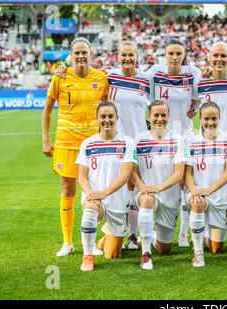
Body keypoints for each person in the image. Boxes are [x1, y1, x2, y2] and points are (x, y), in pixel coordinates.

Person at [54, 41, 153, 251]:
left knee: (134, 188)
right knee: (122, 188)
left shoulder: (147, 78)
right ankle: (114, 233)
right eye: (123, 55)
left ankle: (133, 236)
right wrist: (64, 64)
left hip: (139, 141)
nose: (127, 59)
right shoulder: (109, 75)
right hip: (114, 141)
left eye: (131, 55)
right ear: (117, 56)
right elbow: (81, 58)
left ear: (138, 56)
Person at [42, 37, 108, 257]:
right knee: (67, 190)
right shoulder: (60, 77)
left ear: (91, 54)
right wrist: (45, 139)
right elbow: (48, 109)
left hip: (94, 145)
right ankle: (67, 242)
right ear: (72, 55)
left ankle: (92, 240)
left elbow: (108, 111)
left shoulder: (101, 78)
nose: (81, 56)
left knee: (95, 191)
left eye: (84, 52)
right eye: (77, 52)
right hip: (66, 143)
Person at [145, 37, 201, 248]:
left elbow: (198, 95)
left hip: (185, 134)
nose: (175, 57)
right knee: (155, 178)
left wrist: (193, 106)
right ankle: (144, 231)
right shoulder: (154, 73)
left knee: (184, 182)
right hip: (159, 136)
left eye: (179, 53)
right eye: (171, 53)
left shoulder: (193, 73)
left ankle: (184, 234)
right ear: (165, 54)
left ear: (184, 54)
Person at [192, 41, 227, 251]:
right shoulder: (200, 79)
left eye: (224, 56)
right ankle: (196, 232)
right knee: (200, 183)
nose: (219, 60)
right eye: (216, 56)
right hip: (205, 142)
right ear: (209, 58)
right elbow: (193, 104)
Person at [76, 102, 135, 271]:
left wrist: (104, 193)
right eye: (103, 116)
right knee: (89, 210)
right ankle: (87, 256)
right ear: (97, 119)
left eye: (110, 116)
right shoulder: (88, 143)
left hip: (116, 200)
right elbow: (82, 176)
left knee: (112, 254)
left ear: (117, 118)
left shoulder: (127, 142)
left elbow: (125, 175)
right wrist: (90, 194)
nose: (107, 120)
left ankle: (105, 238)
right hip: (95, 198)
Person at [131, 100, 186, 270]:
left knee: (164, 249)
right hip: (146, 193)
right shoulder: (139, 140)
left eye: (163, 115)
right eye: (156, 115)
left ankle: (150, 234)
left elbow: (179, 173)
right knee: (147, 200)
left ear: (169, 116)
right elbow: (131, 170)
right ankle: (146, 254)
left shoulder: (177, 139)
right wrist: (143, 187)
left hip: (169, 196)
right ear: (149, 116)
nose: (160, 119)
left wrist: (158, 188)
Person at [184, 102, 227, 267]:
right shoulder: (192, 141)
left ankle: (205, 230)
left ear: (220, 118)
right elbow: (187, 173)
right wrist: (194, 190)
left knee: (216, 248)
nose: (210, 123)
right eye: (206, 119)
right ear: (200, 119)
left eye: (214, 119)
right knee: (198, 203)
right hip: (200, 195)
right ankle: (198, 253)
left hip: (219, 197)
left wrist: (209, 190)